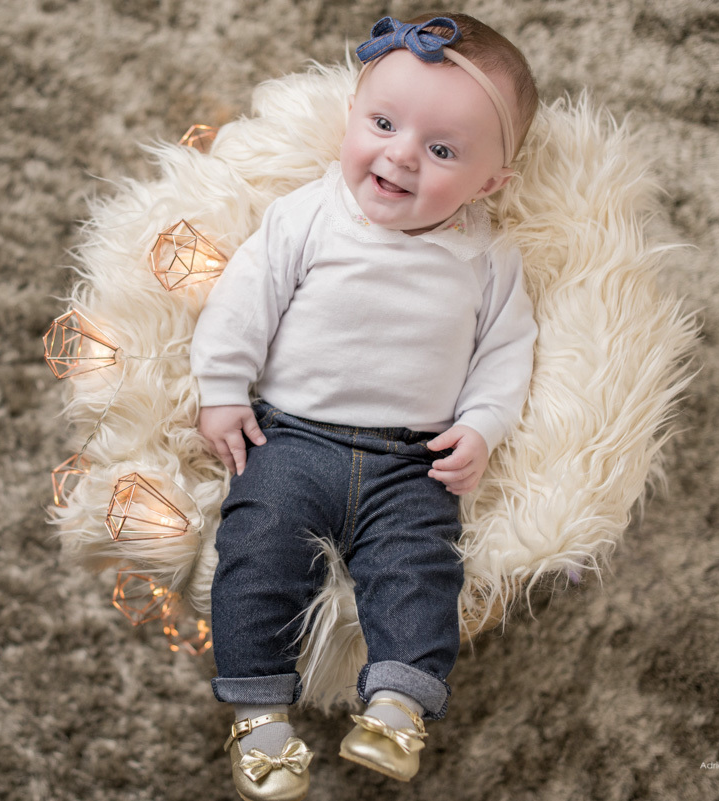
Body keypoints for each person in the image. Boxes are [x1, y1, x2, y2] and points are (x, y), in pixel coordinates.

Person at [189, 13, 540, 800]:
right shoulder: (307, 215)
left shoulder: (487, 256)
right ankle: (259, 715)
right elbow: (244, 301)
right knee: (255, 554)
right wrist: (219, 389)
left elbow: (505, 353)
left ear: (491, 182)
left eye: (442, 150)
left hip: (412, 462)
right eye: (383, 123)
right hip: (291, 439)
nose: (401, 155)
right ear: (352, 117)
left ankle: (397, 705)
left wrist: (482, 425)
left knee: (419, 572)